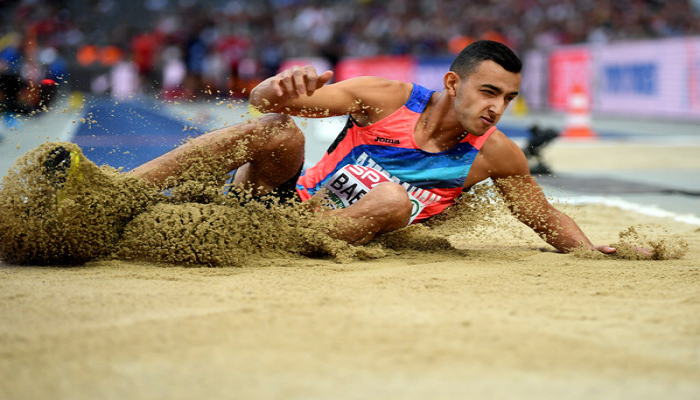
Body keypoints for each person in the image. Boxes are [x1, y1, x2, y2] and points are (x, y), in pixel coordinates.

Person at [129, 40, 618, 254]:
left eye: (508, 98)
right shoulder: (386, 99)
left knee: (393, 199)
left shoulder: (495, 154)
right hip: (275, 207)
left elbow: (544, 216)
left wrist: (591, 250)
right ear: (453, 83)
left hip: (317, 242)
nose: (497, 107)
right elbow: (265, 106)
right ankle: (119, 192)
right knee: (281, 130)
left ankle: (268, 245)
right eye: (488, 92)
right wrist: (275, 85)